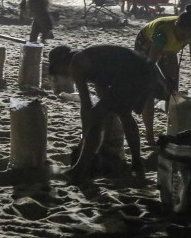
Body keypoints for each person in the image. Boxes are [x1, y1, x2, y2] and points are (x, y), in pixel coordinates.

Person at [50, 45, 159, 180]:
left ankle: (81, 167)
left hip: (136, 74)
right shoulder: (96, 61)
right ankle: (137, 163)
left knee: (97, 114)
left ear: (61, 63)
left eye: (57, 70)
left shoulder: (76, 63)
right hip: (148, 72)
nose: (60, 75)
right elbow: (107, 101)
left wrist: (85, 136)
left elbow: (86, 104)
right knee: (123, 113)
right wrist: (101, 137)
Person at [133, 6, 191, 145]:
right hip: (147, 44)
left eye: (187, 36)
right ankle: (149, 134)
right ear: (176, 25)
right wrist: (163, 82)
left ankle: (171, 129)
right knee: (149, 90)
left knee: (172, 91)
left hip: (170, 50)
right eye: (182, 35)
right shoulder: (162, 33)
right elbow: (151, 64)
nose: (184, 38)